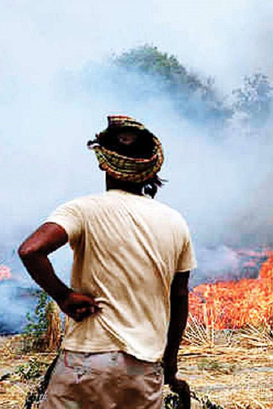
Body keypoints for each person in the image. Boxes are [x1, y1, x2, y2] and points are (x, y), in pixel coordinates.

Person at [18, 115, 197, 408]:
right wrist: (171, 366)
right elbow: (179, 299)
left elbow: (30, 250)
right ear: (150, 168)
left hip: (84, 364)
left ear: (103, 162)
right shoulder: (175, 222)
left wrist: (63, 296)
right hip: (143, 370)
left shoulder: (81, 210)